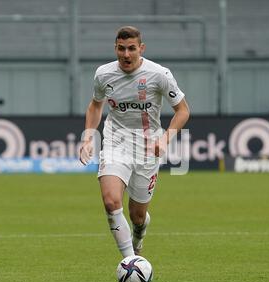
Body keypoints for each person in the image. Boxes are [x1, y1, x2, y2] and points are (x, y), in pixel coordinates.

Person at [79, 26, 190, 258]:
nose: (126, 54)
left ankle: (139, 236)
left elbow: (182, 110)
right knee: (111, 201)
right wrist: (88, 136)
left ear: (141, 48)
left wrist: (166, 138)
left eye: (131, 49)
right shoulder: (103, 74)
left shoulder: (159, 74)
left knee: (137, 216)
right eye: (121, 49)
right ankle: (131, 262)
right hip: (115, 142)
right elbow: (95, 105)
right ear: (115, 48)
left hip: (148, 148)